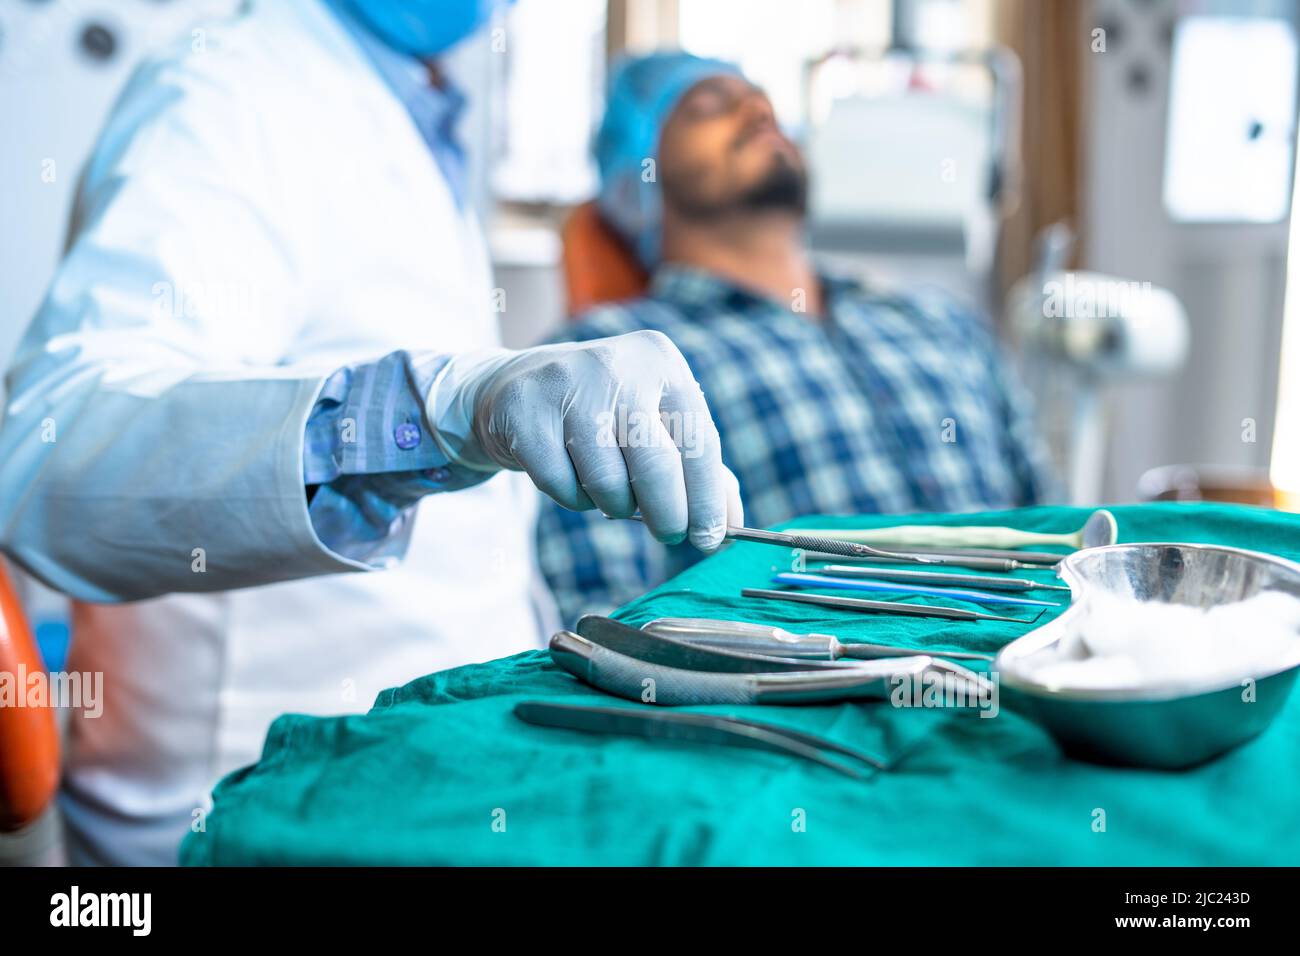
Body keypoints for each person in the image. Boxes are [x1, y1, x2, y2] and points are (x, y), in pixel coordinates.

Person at [0, 4, 739, 864]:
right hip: (258, 808)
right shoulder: (223, 90)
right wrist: (426, 412)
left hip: (438, 762)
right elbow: (50, 458)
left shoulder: (407, 104)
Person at [537, 53, 1057, 625]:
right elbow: (610, 628)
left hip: (1035, 665)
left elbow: (1058, 535)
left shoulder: (943, 322)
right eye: (709, 105)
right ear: (640, 171)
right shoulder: (610, 357)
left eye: (763, 100)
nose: (756, 108)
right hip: (817, 695)